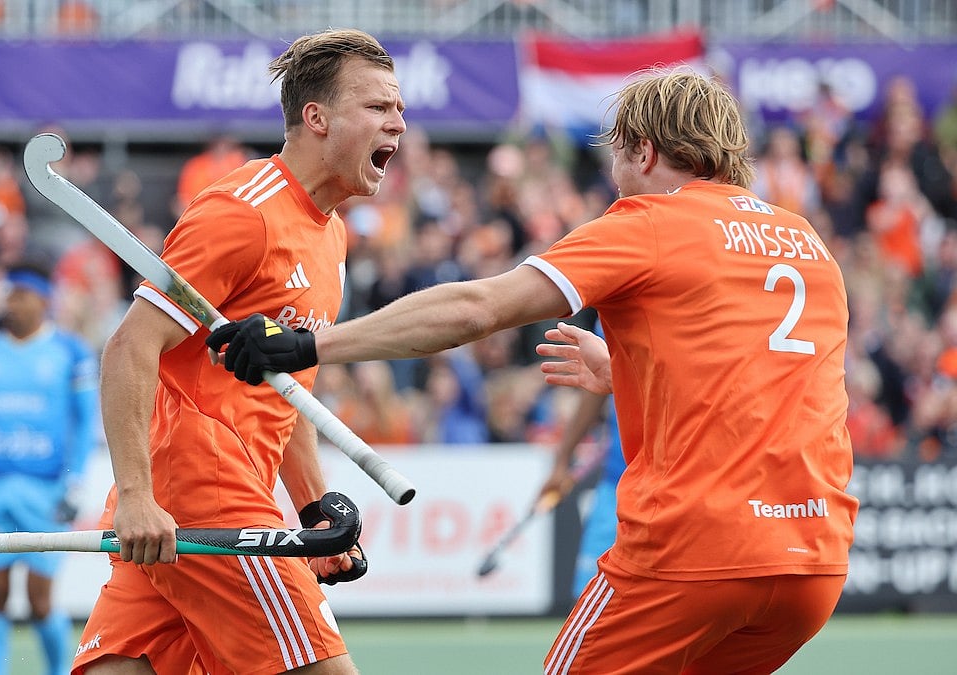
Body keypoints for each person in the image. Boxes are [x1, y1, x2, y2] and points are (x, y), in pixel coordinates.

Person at [208, 68, 858, 674]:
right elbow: (773, 375)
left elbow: (478, 307)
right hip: (813, 565)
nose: (615, 178)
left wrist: (310, 346)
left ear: (645, 151)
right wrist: (630, 371)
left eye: (616, 156)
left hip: (697, 551)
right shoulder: (808, 242)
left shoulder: (650, 222)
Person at [72, 28, 405, 675]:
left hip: (205, 494)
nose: (397, 123)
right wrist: (138, 494)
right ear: (316, 117)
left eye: (399, 110)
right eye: (378, 107)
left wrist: (310, 504)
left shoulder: (331, 235)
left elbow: (284, 389)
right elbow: (129, 347)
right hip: (202, 492)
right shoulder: (241, 212)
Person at [0, 261, 99, 675]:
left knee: (40, 599)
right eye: (7, 295)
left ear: (43, 300)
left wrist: (75, 484)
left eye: (19, 295)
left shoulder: (70, 352)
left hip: (45, 491)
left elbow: (85, 424)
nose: (10, 303)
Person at [535, 317, 627, 598]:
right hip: (616, 482)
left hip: (671, 484)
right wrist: (562, 461)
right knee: (590, 598)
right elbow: (595, 392)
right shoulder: (610, 317)